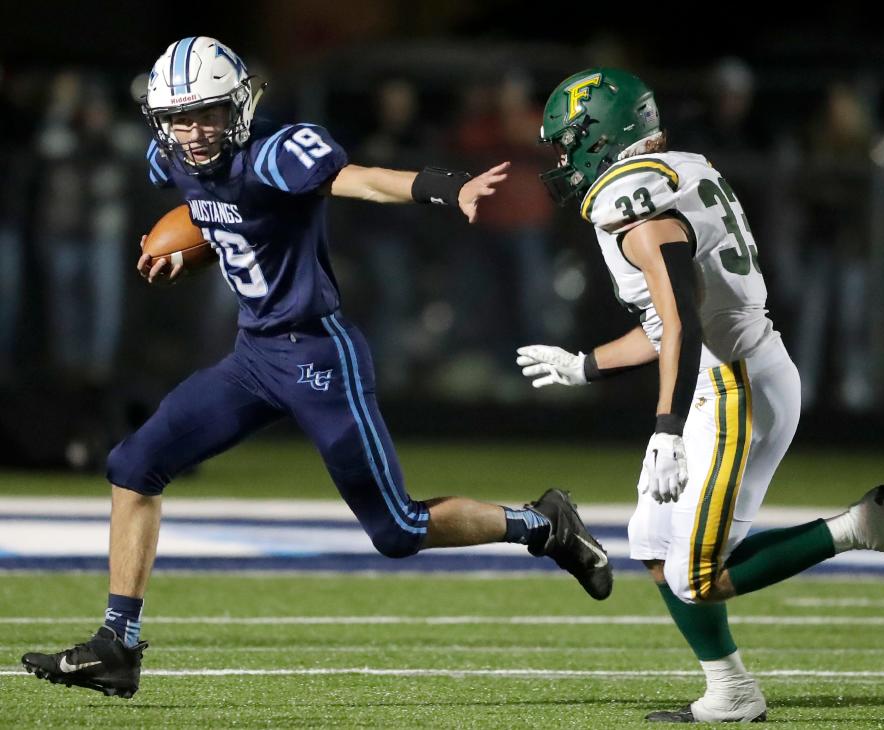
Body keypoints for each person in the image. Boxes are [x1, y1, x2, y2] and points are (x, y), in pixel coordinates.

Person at [20, 38, 613, 699]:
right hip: (254, 356)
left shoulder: (278, 151)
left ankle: (543, 523)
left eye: (209, 113)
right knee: (133, 466)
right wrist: (196, 253)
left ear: (239, 106)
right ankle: (117, 645)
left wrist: (442, 187)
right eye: (181, 117)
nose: (194, 131)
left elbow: (352, 179)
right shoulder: (172, 158)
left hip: (318, 354)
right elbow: (229, 221)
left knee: (399, 529)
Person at [516, 68, 884, 723]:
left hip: (734, 387)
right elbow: (668, 323)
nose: (564, 160)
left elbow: (681, 325)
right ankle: (730, 690)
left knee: (696, 574)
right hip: (735, 374)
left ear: (601, 134)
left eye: (570, 143)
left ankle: (861, 525)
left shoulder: (629, 203)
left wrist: (665, 426)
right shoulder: (680, 167)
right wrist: (585, 366)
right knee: (655, 546)